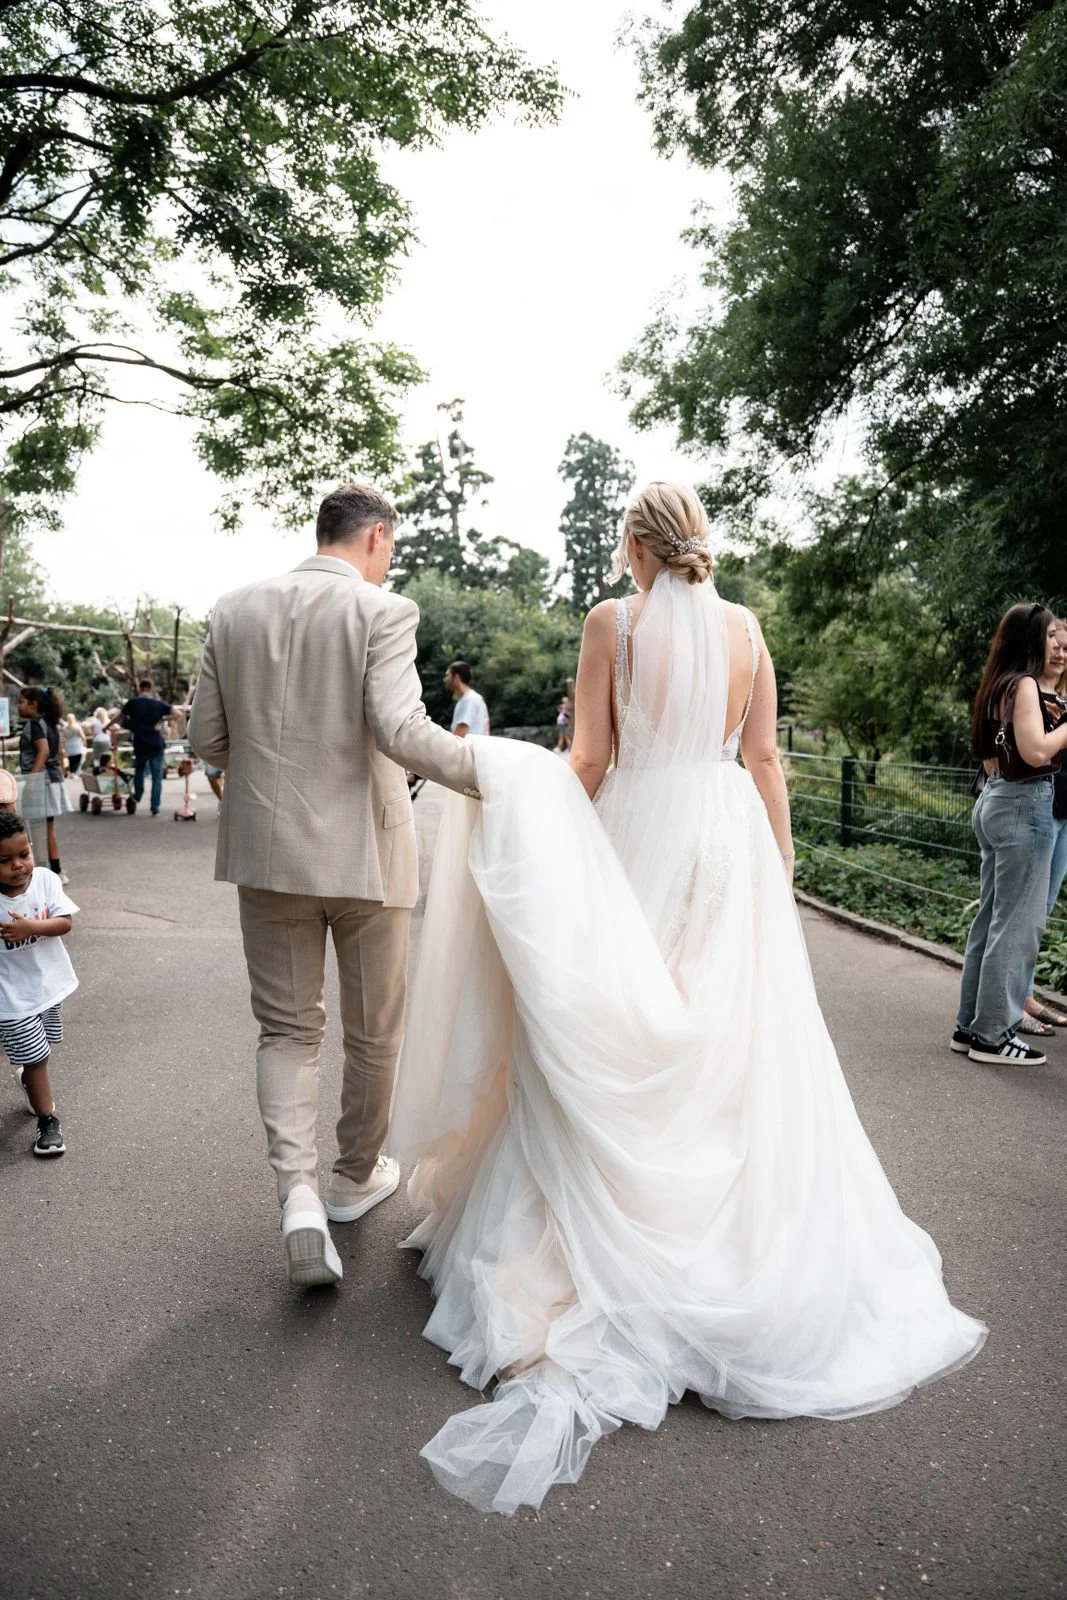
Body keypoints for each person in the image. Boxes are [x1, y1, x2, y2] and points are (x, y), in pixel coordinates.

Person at [390, 480, 986, 1516]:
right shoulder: (746, 628)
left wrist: (540, 831)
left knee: (608, 1023)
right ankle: (730, 1234)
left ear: (635, 544)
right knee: (728, 1039)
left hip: (634, 835)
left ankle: (596, 1243)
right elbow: (763, 756)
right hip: (726, 844)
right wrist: (780, 864)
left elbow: (588, 758)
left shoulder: (611, 623)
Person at [189, 481, 481, 1289]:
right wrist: (495, 774)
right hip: (369, 855)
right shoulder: (383, 611)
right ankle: (354, 1178)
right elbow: (401, 730)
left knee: (287, 1031)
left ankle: (298, 1197)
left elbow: (207, 738)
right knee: (373, 1032)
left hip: (268, 855)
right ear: (376, 535)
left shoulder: (232, 610)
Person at [952, 605, 1067, 1066]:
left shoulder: (998, 683)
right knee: (1017, 925)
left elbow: (990, 754)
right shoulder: (1024, 685)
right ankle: (993, 1036)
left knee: (991, 921)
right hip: (1025, 804)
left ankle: (969, 1026)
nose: (1057, 643)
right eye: (1049, 635)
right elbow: (1036, 751)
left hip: (996, 799)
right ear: (1030, 639)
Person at [0, 810, 78, 1157]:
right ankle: (48, 1120)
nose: (17, 865)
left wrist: (30, 927)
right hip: (11, 996)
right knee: (37, 1058)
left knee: (41, 1050)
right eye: (4, 861)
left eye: (23, 854)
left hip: (47, 987)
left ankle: (30, 1082)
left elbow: (65, 923)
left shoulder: (46, 879)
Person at [1019, 615, 1067, 1033]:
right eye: (1055, 643)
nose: (1060, 652)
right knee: (1027, 909)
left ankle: (1025, 993)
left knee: (1044, 907)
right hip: (1040, 809)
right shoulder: (1027, 691)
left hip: (1065, 813)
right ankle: (1014, 1001)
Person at [18, 684, 71, 879]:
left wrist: (31, 781)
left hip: (41, 781)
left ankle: (42, 873)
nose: (18, 706)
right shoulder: (50, 724)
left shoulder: (35, 725)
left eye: (21, 702)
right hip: (51, 779)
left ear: (34, 704)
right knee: (47, 828)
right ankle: (56, 870)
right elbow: (58, 752)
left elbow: (44, 751)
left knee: (37, 829)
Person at [120, 679, 174, 816]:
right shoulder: (158, 704)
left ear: (140, 688)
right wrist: (161, 720)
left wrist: (107, 727)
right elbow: (178, 714)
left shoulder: (132, 703)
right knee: (156, 777)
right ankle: (155, 807)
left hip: (140, 744)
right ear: (151, 689)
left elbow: (119, 717)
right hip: (156, 744)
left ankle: (138, 795)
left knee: (139, 771)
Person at [444, 661, 489, 738]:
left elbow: (458, 736)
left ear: (456, 678)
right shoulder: (468, 699)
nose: (444, 680)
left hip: (472, 746)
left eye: (447, 675)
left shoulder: (469, 700)